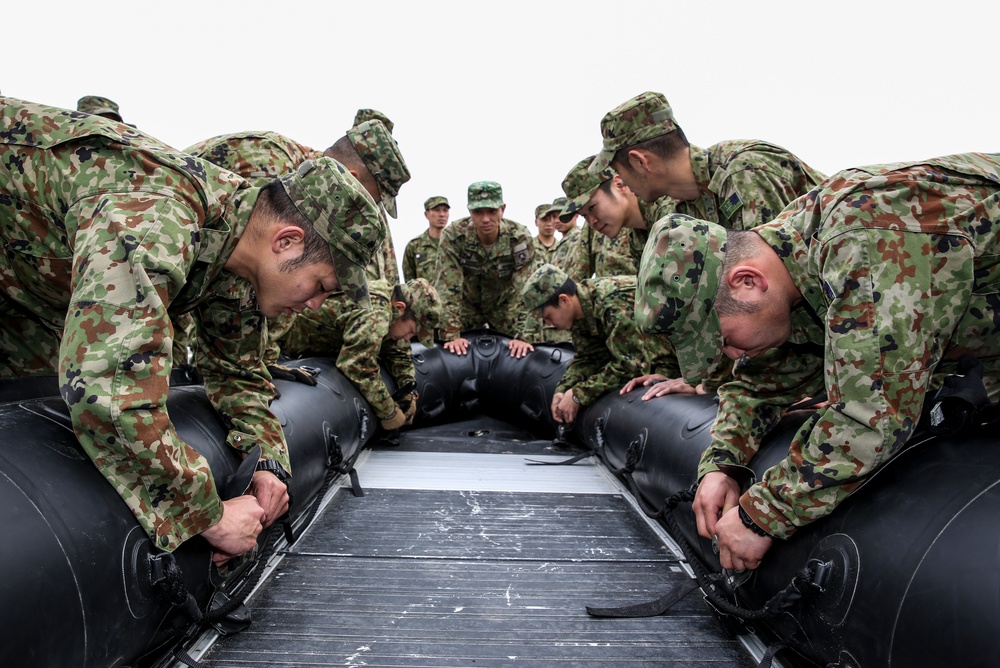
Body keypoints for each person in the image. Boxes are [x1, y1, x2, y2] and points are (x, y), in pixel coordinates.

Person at [0, 97, 385, 563]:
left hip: (26, 287)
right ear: (286, 241)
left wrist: (266, 463)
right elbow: (109, 389)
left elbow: (237, 371)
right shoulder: (158, 220)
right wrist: (207, 515)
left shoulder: (238, 258)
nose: (316, 305)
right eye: (322, 284)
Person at [634, 152, 1000, 572]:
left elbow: (872, 413)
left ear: (748, 282)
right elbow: (759, 387)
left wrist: (762, 516)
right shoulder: (792, 271)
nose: (731, 356)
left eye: (725, 340)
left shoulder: (862, 237)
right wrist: (721, 466)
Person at [185, 121, 410, 377]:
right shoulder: (271, 166)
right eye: (374, 199)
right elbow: (239, 282)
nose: (372, 209)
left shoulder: (310, 189)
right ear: (352, 177)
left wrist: (261, 363)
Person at [590, 91, 825, 231]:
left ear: (641, 162)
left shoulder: (743, 171)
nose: (622, 183)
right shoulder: (683, 209)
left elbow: (768, 281)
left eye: (618, 170)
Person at [522, 264, 680, 424]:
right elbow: (590, 358)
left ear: (564, 300)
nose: (548, 324)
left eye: (548, 317)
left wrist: (579, 394)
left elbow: (630, 366)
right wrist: (563, 389)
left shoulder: (611, 303)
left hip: (684, 356)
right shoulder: (580, 313)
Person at [278, 278, 440, 430]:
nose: (408, 338)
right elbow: (356, 364)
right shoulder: (376, 311)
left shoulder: (393, 309)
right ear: (400, 307)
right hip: (282, 342)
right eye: (411, 331)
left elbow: (398, 352)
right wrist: (389, 412)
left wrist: (408, 390)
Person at [434, 181, 537, 357]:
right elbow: (448, 286)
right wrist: (451, 334)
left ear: (502, 209)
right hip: (467, 307)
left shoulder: (519, 238)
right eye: (478, 212)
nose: (485, 219)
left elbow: (526, 287)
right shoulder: (454, 236)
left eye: (492, 211)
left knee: (522, 354)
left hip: (505, 308)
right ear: (469, 212)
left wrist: (523, 335)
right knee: (451, 353)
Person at [403, 196, 450, 281]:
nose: (442, 214)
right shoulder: (414, 246)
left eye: (445, 210)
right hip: (425, 294)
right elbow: (409, 282)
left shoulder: (455, 243)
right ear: (426, 214)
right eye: (437, 210)